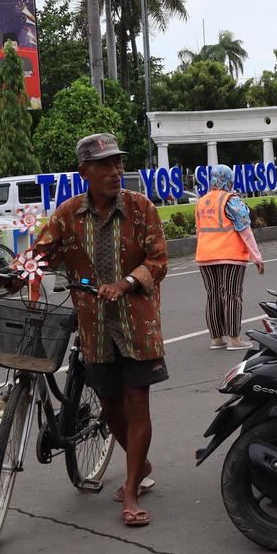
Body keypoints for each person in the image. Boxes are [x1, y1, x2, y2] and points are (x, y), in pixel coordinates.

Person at [24, 132, 169, 527]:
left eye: (117, 163)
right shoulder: (68, 214)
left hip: (137, 324)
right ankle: (140, 462)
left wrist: (126, 282)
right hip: (94, 329)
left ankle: (133, 488)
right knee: (109, 404)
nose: (115, 171)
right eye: (104, 164)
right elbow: (40, 254)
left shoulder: (140, 208)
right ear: (84, 171)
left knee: (137, 401)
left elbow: (159, 260)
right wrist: (9, 273)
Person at [195, 165, 265, 351]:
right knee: (232, 295)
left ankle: (216, 338)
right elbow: (245, 230)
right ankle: (234, 340)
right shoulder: (231, 200)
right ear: (229, 179)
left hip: (205, 256)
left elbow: (199, 230)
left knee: (213, 296)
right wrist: (256, 257)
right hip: (230, 255)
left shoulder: (201, 202)